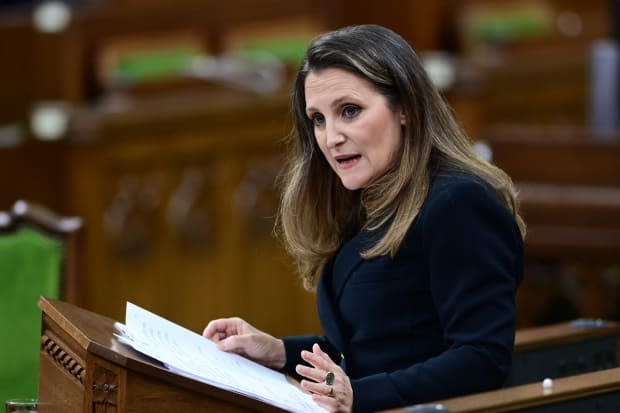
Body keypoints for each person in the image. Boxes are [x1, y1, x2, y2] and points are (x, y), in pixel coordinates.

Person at [203, 24, 526, 413]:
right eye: (318, 119)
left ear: (404, 107)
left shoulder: (458, 202)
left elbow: (482, 358)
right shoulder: (363, 201)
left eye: (349, 111)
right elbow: (372, 345)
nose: (331, 136)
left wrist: (360, 395)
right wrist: (278, 352)